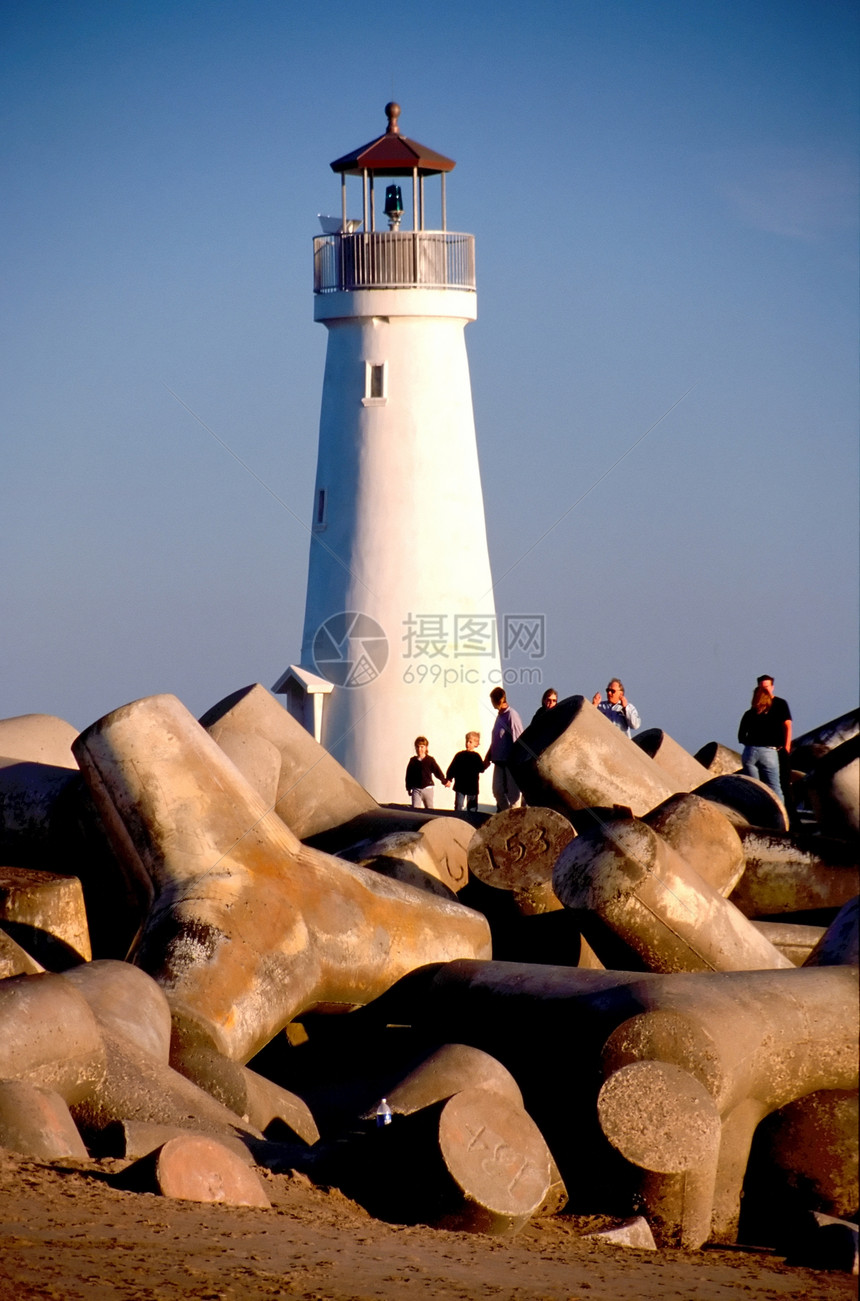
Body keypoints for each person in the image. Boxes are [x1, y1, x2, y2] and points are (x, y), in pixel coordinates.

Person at [737, 674, 792, 805]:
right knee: (775, 786)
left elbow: (741, 736)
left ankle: (758, 815)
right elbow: (787, 726)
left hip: (750, 751)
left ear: (772, 687)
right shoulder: (769, 710)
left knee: (754, 788)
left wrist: (751, 743)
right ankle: (780, 816)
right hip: (770, 751)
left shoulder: (750, 713)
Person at [485, 687, 524, 811]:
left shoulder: (511, 715)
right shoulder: (500, 716)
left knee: (514, 795)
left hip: (510, 762)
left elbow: (518, 738)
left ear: (500, 700)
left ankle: (515, 818)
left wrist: (517, 760)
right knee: (497, 791)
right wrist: (488, 756)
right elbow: (496, 739)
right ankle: (507, 814)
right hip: (498, 761)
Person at [405, 736, 450, 809]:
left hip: (428, 789)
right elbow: (409, 775)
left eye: (422, 747)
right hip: (416, 789)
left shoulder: (430, 760)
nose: (420, 749)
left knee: (430, 809)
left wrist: (444, 781)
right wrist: (408, 787)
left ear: (426, 748)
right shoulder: (413, 761)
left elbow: (437, 771)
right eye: (418, 747)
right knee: (415, 810)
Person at [446, 731, 487, 812]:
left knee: (472, 809)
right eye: (467, 741)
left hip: (472, 787)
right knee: (458, 806)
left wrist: (487, 762)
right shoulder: (459, 755)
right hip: (460, 786)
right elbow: (452, 768)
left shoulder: (476, 757)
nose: (468, 743)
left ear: (476, 744)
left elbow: (481, 769)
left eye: (470, 742)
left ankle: (471, 822)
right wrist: (449, 778)